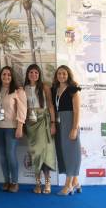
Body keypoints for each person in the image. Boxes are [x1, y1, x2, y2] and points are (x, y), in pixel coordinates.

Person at [0, 66, 26, 193]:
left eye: (9, 75)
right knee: (3, 156)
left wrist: (20, 126)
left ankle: (14, 182)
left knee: (11, 155)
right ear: (0, 76)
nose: (6, 77)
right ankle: (6, 181)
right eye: (4, 74)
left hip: (12, 128)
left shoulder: (18, 91)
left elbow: (22, 109)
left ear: (12, 77)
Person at [23, 64, 56, 194]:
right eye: (31, 72)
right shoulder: (23, 89)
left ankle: (48, 183)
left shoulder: (45, 87)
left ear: (39, 74)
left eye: (36, 72)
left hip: (44, 122)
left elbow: (51, 106)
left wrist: (53, 123)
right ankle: (37, 183)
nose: (33, 75)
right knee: (35, 154)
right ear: (27, 74)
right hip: (30, 124)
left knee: (45, 153)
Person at [51, 65, 82, 196]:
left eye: (64, 73)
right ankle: (75, 182)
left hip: (70, 122)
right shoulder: (55, 89)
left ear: (68, 75)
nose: (61, 76)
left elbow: (77, 111)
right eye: (59, 74)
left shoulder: (73, 89)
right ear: (56, 76)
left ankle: (68, 185)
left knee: (71, 153)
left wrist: (74, 128)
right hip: (59, 123)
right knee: (63, 152)